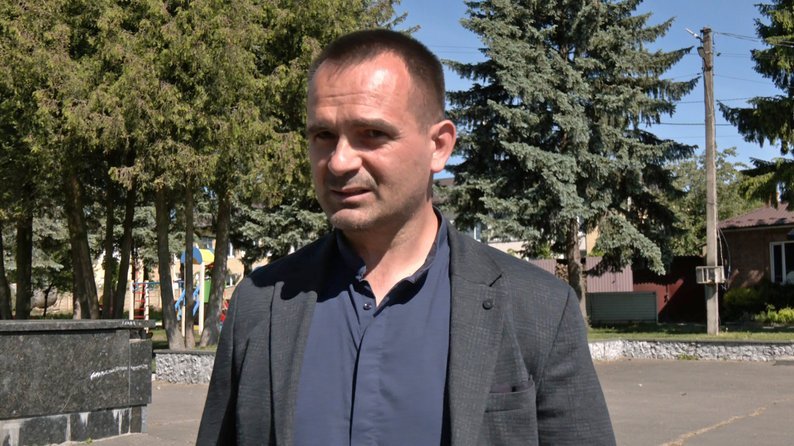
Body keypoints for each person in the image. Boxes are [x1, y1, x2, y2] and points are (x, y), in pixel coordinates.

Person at [197, 29, 615, 446]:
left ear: (439, 146)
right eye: (323, 135)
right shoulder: (261, 303)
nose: (339, 162)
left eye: (372, 134)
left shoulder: (537, 309)